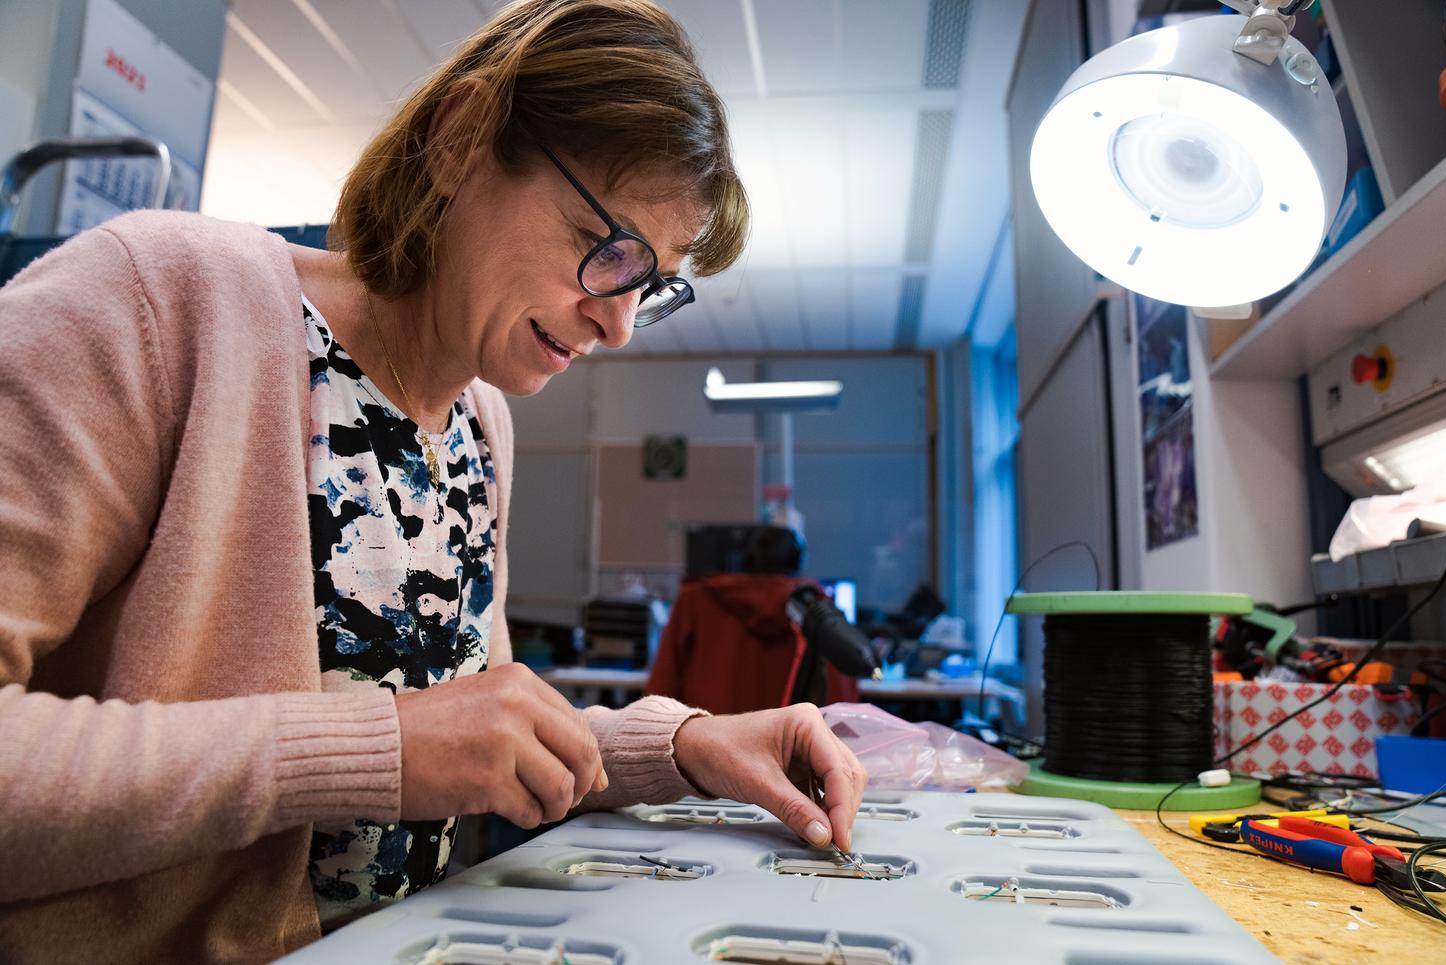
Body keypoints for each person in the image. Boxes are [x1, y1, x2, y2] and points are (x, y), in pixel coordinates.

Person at [0, 1, 867, 961]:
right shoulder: (156, 304)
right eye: (607, 247)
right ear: (461, 139)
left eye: (647, 282)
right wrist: (375, 753)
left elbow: (470, 725)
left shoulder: (478, 421)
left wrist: (676, 748)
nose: (617, 324)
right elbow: (403, 743)